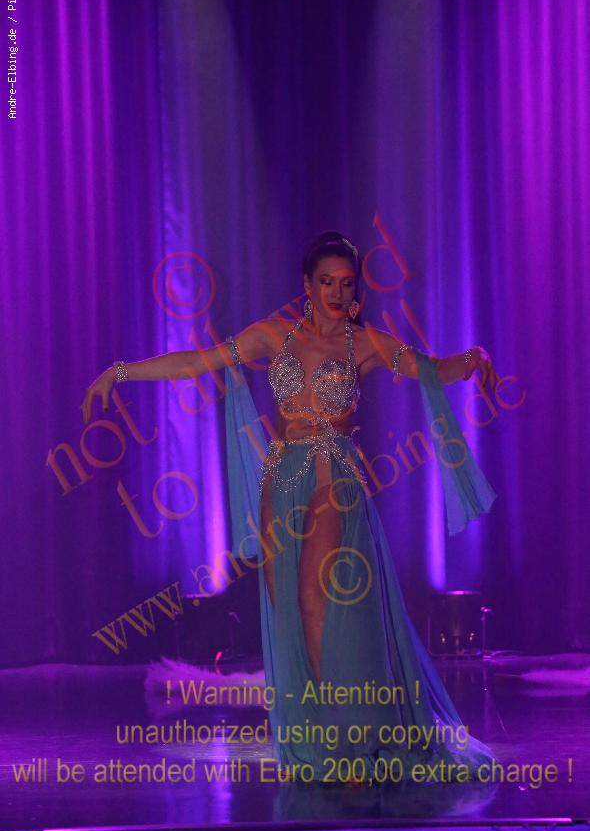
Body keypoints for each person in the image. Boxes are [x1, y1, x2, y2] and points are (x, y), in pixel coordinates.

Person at [81, 230, 500, 788]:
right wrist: (120, 371)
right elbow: (195, 364)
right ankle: (319, 738)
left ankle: (348, 743)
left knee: (314, 600)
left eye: (346, 283)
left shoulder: (365, 343)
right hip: (282, 478)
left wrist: (474, 358)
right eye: (326, 281)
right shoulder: (273, 336)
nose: (337, 292)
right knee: (288, 612)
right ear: (307, 285)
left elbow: (433, 368)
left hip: (333, 476)